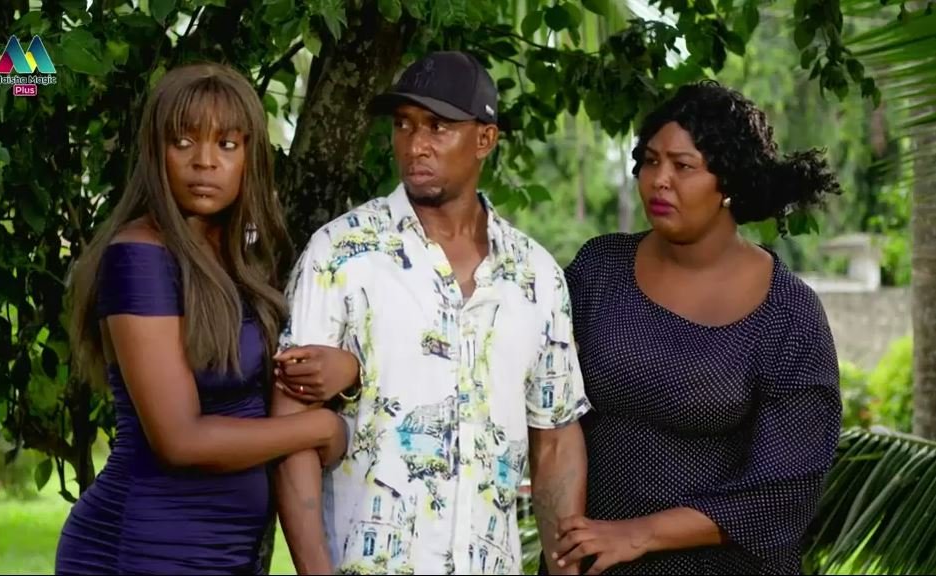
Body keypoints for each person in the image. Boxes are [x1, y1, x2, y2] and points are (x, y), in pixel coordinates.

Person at [270, 51, 593, 575]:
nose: (415, 144)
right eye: (404, 124)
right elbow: (292, 426)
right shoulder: (341, 254)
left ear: (485, 139)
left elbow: (554, 439)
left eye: (438, 127)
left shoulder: (536, 277)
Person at [55, 62, 349, 575]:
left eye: (226, 145)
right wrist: (322, 427)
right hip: (145, 549)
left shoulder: (237, 257)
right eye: (184, 142)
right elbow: (180, 439)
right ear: (156, 153)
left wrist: (346, 370)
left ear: (249, 157)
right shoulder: (138, 256)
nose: (204, 162)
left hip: (222, 552)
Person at [549, 80, 843, 574]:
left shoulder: (788, 313)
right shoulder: (600, 268)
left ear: (729, 182)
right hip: (594, 560)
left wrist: (639, 533)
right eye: (650, 161)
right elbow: (547, 401)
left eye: (683, 166)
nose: (659, 180)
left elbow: (785, 487)